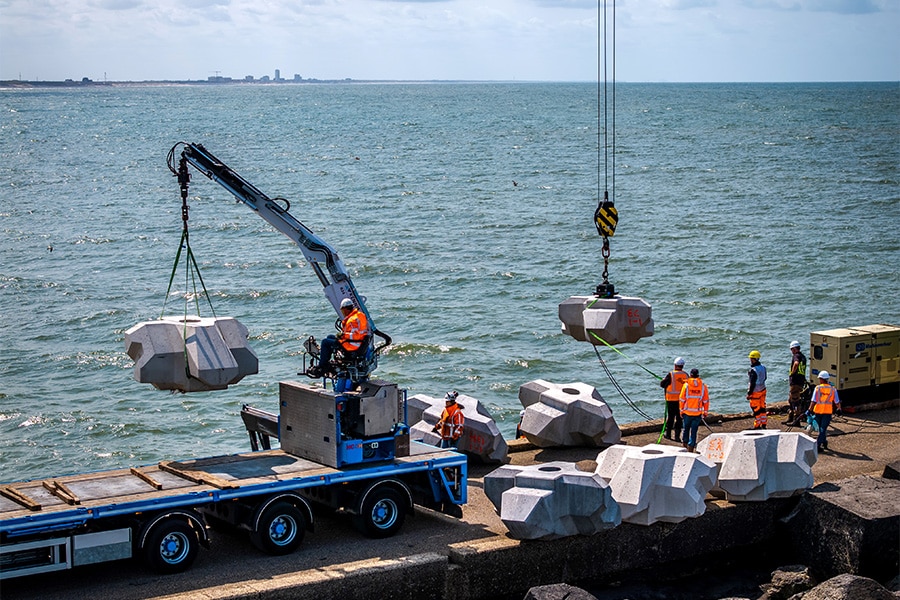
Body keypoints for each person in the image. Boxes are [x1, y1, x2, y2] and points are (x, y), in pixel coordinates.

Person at [312, 297, 369, 377]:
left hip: (352, 346)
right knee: (330, 337)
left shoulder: (352, 320)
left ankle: (322, 366)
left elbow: (356, 336)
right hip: (358, 344)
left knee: (325, 342)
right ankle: (326, 360)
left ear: (346, 309)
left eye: (343, 310)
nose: (343, 313)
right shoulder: (360, 315)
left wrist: (343, 335)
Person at [808, 371, 841, 452]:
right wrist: (839, 409)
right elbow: (836, 401)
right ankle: (823, 442)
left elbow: (813, 401)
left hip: (818, 412)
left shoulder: (817, 388)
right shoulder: (833, 389)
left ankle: (818, 445)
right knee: (823, 429)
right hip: (827, 412)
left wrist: (809, 410)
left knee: (821, 429)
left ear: (821, 379)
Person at [679, 368, 709, 452]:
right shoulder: (703, 386)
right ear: (698, 375)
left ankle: (685, 445)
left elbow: (682, 399)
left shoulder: (686, 385)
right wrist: (705, 411)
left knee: (686, 429)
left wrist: (681, 410)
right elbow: (706, 400)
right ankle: (691, 447)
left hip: (687, 412)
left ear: (690, 375)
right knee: (694, 431)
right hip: (697, 413)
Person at [659, 357, 688, 441]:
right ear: (682, 366)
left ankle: (668, 434)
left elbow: (662, 384)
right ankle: (677, 436)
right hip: (682, 401)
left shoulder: (671, 374)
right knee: (679, 418)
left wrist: (663, 380)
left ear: (675, 365)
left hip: (671, 400)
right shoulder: (686, 375)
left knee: (671, 417)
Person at [786, 340, 808, 425]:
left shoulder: (797, 356)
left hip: (795, 381)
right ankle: (791, 417)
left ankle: (796, 420)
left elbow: (796, 363)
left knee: (795, 401)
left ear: (795, 349)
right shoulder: (803, 357)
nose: (791, 351)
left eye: (792, 349)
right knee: (791, 399)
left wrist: (792, 372)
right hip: (800, 381)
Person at [747, 350, 768, 429]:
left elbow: (752, 383)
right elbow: (765, 378)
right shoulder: (763, 368)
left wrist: (749, 393)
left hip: (756, 392)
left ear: (753, 359)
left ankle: (757, 425)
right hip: (763, 389)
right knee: (762, 407)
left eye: (751, 358)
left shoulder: (753, 370)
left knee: (756, 409)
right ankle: (764, 423)